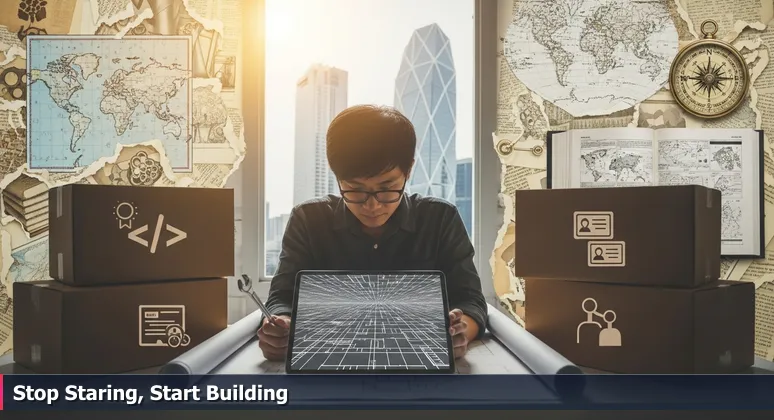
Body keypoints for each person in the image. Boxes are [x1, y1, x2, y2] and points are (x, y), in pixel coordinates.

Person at [257, 104, 488, 362]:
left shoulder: (440, 219)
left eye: (387, 188)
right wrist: (281, 328)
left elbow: (470, 301)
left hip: (419, 360)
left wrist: (461, 332)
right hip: (329, 358)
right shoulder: (308, 219)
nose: (372, 205)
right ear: (337, 177)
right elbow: (282, 298)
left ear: (408, 170)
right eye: (355, 189)